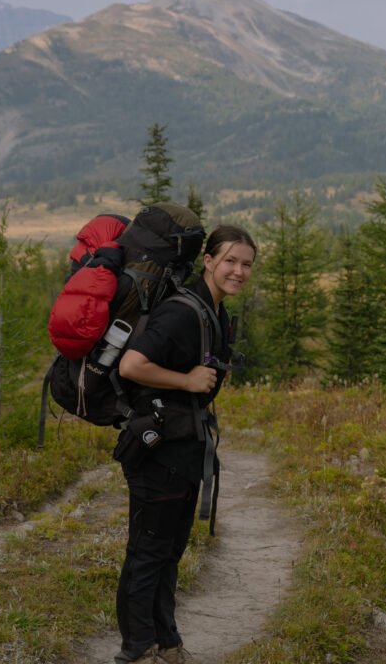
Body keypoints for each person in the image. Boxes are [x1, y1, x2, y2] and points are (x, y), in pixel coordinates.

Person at [113, 223, 257, 664]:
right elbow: (131, 365)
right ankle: (136, 651)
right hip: (158, 449)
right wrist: (187, 379)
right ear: (208, 260)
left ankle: (168, 645)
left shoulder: (213, 310)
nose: (238, 271)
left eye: (246, 264)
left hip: (183, 447)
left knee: (169, 550)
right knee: (148, 552)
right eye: (230, 260)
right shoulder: (181, 311)